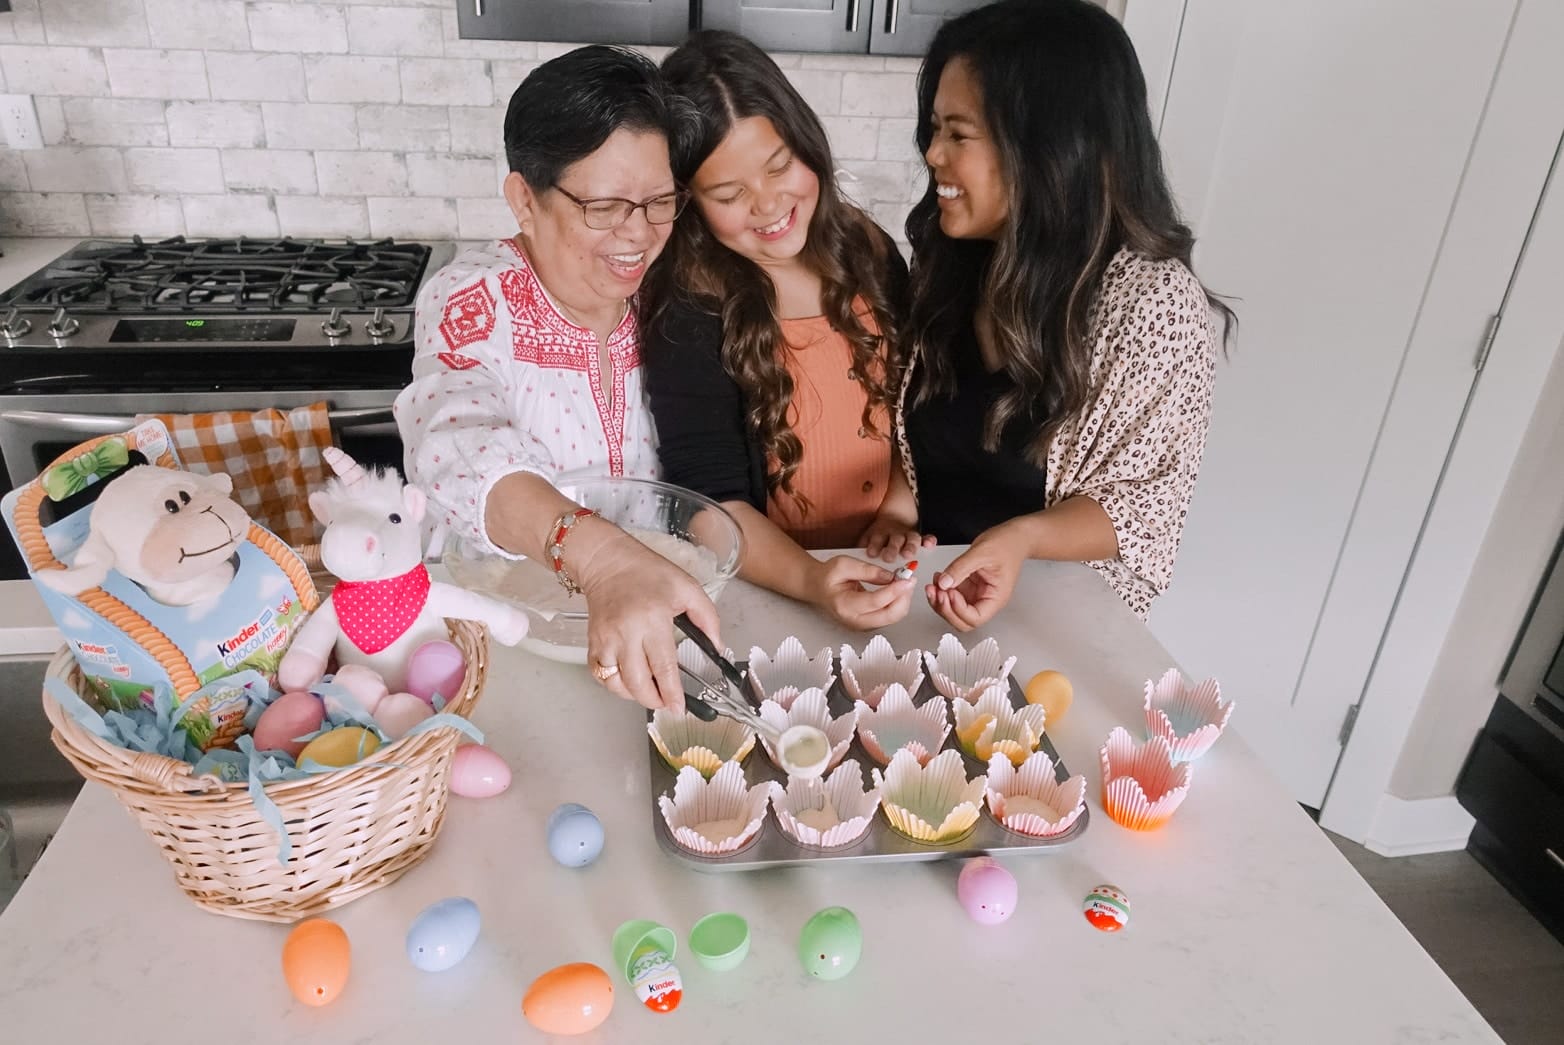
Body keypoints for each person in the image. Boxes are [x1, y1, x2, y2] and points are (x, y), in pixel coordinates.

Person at [394, 45, 716, 711]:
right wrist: (601, 559)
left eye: (659, 201)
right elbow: (454, 442)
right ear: (524, 199)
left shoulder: (668, 302)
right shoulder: (474, 298)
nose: (639, 234)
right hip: (497, 647)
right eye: (603, 206)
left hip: (639, 629)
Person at [899, 0, 1233, 628]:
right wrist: (895, 519)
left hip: (1048, 623)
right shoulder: (953, 263)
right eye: (935, 129)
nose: (934, 155)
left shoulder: (1152, 305)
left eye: (958, 134)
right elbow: (911, 445)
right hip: (919, 604)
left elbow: (1142, 505)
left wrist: (1022, 538)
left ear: (1048, 148)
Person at [641, 30, 928, 631]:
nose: (768, 205)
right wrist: (812, 580)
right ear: (688, 198)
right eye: (729, 193)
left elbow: (909, 403)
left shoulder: (868, 251)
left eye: (779, 167)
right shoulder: (690, 303)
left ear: (806, 143)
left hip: (891, 568)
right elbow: (709, 502)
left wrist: (898, 511)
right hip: (768, 584)